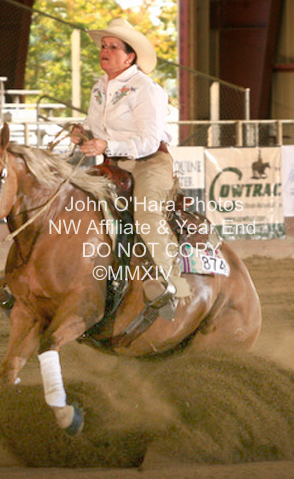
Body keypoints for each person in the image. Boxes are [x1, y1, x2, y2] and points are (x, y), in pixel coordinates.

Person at [70, 18, 188, 314]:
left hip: (150, 162)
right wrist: (83, 132)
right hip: (114, 164)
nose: (105, 51)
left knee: (146, 215)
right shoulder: (100, 87)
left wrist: (106, 146)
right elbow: (95, 126)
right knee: (74, 205)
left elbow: (149, 140)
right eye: (103, 46)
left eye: (113, 47)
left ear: (130, 57)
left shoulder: (147, 89)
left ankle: (174, 285)